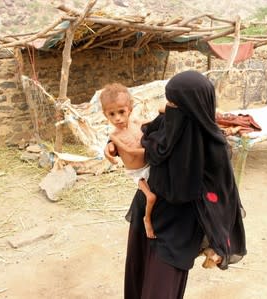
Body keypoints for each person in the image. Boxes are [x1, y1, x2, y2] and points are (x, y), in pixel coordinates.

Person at [105, 71, 246, 298]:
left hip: (179, 230)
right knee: (138, 277)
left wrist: (218, 241)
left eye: (173, 103)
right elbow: (137, 132)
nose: (168, 107)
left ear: (192, 107)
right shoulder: (166, 124)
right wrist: (110, 145)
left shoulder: (214, 149)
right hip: (147, 215)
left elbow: (223, 197)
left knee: (161, 290)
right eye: (168, 100)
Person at [100, 83, 163, 239]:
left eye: (121, 112)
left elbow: (156, 123)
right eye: (112, 114)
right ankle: (146, 219)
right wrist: (109, 151)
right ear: (105, 115)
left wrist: (164, 112)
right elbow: (128, 151)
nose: (118, 118)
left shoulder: (138, 124)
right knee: (151, 197)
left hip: (150, 165)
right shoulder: (114, 136)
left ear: (130, 109)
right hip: (137, 172)